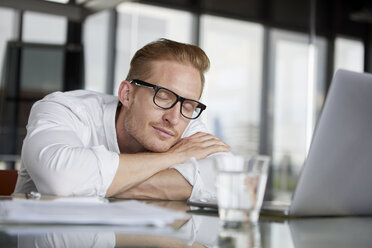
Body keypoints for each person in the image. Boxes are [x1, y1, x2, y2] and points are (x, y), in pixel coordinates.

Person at [14, 38, 231, 200]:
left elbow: (227, 179)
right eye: (163, 97)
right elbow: (61, 179)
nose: (174, 119)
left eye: (188, 105)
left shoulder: (183, 118)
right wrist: (173, 158)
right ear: (127, 94)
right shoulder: (65, 109)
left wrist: (95, 184)